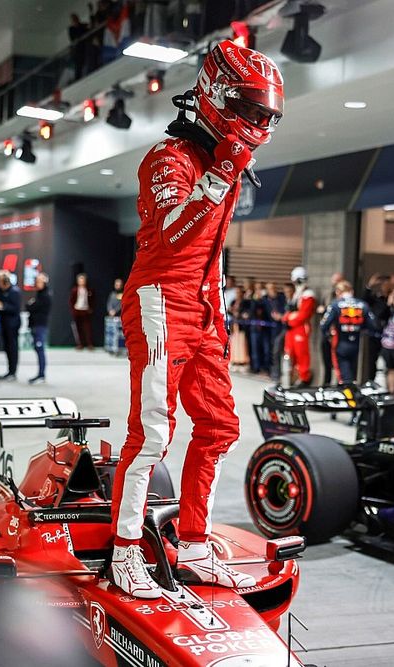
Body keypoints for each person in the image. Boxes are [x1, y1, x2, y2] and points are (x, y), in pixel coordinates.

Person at [109, 39, 284, 598]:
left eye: (266, 114)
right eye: (251, 109)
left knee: (218, 427)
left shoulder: (222, 163)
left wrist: (220, 307)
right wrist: (221, 172)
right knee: (153, 432)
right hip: (160, 298)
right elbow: (173, 234)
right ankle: (125, 551)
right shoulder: (169, 159)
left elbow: (209, 252)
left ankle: (193, 545)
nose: (258, 123)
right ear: (216, 96)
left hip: (204, 305)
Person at [320, 280, 374, 385]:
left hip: (341, 342)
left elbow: (323, 325)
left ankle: (348, 395)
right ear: (352, 291)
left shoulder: (335, 304)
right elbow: (373, 325)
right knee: (353, 374)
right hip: (356, 343)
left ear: (338, 292)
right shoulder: (362, 304)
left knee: (344, 377)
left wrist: (328, 336)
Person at [283, 267, 316, 387]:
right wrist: (287, 319)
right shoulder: (297, 294)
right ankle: (293, 377)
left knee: (302, 354)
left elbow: (304, 314)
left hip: (301, 328)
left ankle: (304, 377)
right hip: (292, 328)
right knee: (290, 353)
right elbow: (290, 311)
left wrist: (290, 320)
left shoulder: (308, 294)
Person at [0, 270, 22, 381]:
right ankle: (9, 371)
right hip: (4, 322)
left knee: (12, 348)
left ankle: (13, 372)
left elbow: (15, 308)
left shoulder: (15, 292)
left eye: (0, 282)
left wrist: (3, 306)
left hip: (13, 323)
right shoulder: (1, 291)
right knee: (7, 348)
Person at [25, 273, 51, 384]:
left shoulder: (45, 296)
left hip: (40, 326)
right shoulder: (39, 295)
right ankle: (40, 374)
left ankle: (41, 375)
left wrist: (32, 305)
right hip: (35, 325)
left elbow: (33, 307)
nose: (37, 283)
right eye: (36, 281)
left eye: (40, 281)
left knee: (40, 349)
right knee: (37, 349)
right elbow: (29, 306)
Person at [318, 273, 343, 386]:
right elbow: (323, 308)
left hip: (339, 333)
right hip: (327, 331)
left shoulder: (345, 299)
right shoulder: (328, 295)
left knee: (338, 361)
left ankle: (340, 383)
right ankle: (326, 383)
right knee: (326, 359)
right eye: (334, 281)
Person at [69, 273, 95, 350]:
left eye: (83, 280)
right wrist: (73, 310)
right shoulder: (75, 290)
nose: (82, 281)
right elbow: (71, 301)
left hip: (86, 310)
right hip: (77, 310)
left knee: (87, 328)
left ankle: (89, 344)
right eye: (80, 280)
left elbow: (93, 300)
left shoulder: (89, 290)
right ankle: (80, 344)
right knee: (78, 328)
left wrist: (91, 308)